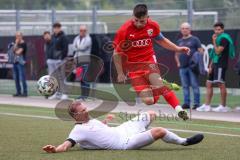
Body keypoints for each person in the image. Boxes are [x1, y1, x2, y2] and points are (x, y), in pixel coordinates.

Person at [113, 4, 190, 120]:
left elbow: (162, 41)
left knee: (159, 86)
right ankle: (160, 85)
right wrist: (120, 73)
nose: (139, 24)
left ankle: (179, 110)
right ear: (132, 16)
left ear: (148, 17)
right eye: (136, 20)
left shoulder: (152, 26)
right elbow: (116, 53)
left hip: (149, 62)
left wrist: (178, 49)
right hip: (134, 69)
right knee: (149, 101)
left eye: (142, 21)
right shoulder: (124, 30)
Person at [42, 101, 204, 152]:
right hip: (124, 143)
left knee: (151, 114)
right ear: (76, 116)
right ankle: (184, 141)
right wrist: (55, 149)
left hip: (122, 130)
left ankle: (144, 131)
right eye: (83, 110)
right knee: (159, 131)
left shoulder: (89, 121)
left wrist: (105, 122)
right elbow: (66, 144)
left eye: (86, 107)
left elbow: (98, 132)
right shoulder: (78, 131)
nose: (87, 110)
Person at [197, 22, 235, 112]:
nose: (217, 31)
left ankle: (223, 106)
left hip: (221, 64)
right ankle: (207, 105)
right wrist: (210, 66)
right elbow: (214, 53)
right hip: (215, 64)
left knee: (220, 84)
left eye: (219, 30)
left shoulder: (224, 39)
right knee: (209, 83)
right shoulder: (218, 38)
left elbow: (218, 52)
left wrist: (213, 41)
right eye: (216, 30)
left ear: (222, 30)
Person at [175, 22, 203, 110]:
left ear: (189, 30)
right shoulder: (179, 41)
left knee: (194, 85)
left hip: (192, 67)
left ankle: (197, 104)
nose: (184, 30)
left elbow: (201, 51)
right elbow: (176, 54)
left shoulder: (195, 39)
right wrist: (178, 63)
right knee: (185, 86)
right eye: (183, 28)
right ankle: (186, 103)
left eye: (186, 28)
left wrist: (196, 59)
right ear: (181, 30)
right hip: (182, 67)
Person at [47, 22, 69, 100]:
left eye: (57, 27)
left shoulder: (64, 37)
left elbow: (65, 49)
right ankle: (56, 93)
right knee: (53, 77)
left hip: (60, 60)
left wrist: (62, 58)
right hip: (52, 60)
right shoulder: (52, 37)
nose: (56, 29)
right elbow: (49, 47)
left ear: (60, 28)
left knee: (62, 77)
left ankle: (65, 93)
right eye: (55, 27)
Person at [73, 25, 92, 100]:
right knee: (80, 79)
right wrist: (77, 48)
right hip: (78, 62)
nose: (82, 32)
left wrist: (77, 47)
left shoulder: (88, 39)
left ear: (86, 31)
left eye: (84, 30)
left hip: (85, 61)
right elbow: (73, 47)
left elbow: (83, 47)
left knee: (85, 79)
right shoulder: (76, 38)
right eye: (81, 30)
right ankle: (82, 95)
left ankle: (86, 96)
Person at [12, 31, 28, 97]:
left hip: (21, 63)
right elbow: (13, 50)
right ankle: (18, 92)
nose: (17, 37)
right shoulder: (16, 43)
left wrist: (15, 49)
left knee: (22, 78)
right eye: (16, 36)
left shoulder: (23, 44)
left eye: (19, 36)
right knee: (16, 78)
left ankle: (25, 92)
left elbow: (18, 52)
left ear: (21, 36)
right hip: (15, 62)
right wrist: (16, 44)